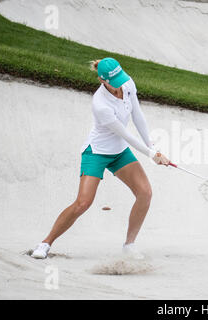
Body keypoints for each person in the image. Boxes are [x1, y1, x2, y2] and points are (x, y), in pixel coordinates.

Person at [31, 57, 170, 260]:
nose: (118, 85)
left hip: (119, 152)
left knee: (145, 193)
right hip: (97, 152)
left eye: (119, 79)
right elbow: (125, 134)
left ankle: (129, 245)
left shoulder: (128, 84)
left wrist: (152, 147)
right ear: (101, 80)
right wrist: (152, 156)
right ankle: (45, 243)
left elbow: (137, 115)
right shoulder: (100, 104)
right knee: (83, 203)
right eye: (113, 82)